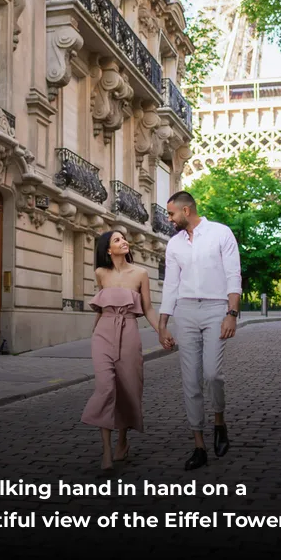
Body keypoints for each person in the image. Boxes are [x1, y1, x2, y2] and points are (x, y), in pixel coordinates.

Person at [157, 191, 242, 470]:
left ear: (186, 210)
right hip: (186, 311)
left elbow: (233, 274)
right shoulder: (174, 244)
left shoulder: (220, 233)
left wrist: (232, 313)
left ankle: (219, 421)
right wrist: (162, 324)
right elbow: (171, 284)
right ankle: (199, 445)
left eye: (171, 214)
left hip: (216, 309)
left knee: (212, 374)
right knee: (191, 382)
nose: (168, 219)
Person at [81, 230, 161, 471]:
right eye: (117, 239)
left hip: (129, 332)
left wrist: (162, 333)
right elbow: (100, 307)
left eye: (124, 238)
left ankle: (122, 441)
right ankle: (106, 449)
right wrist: (94, 334)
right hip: (103, 332)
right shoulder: (100, 273)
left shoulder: (141, 273)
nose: (124, 241)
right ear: (108, 249)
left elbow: (147, 309)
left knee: (128, 388)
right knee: (105, 388)